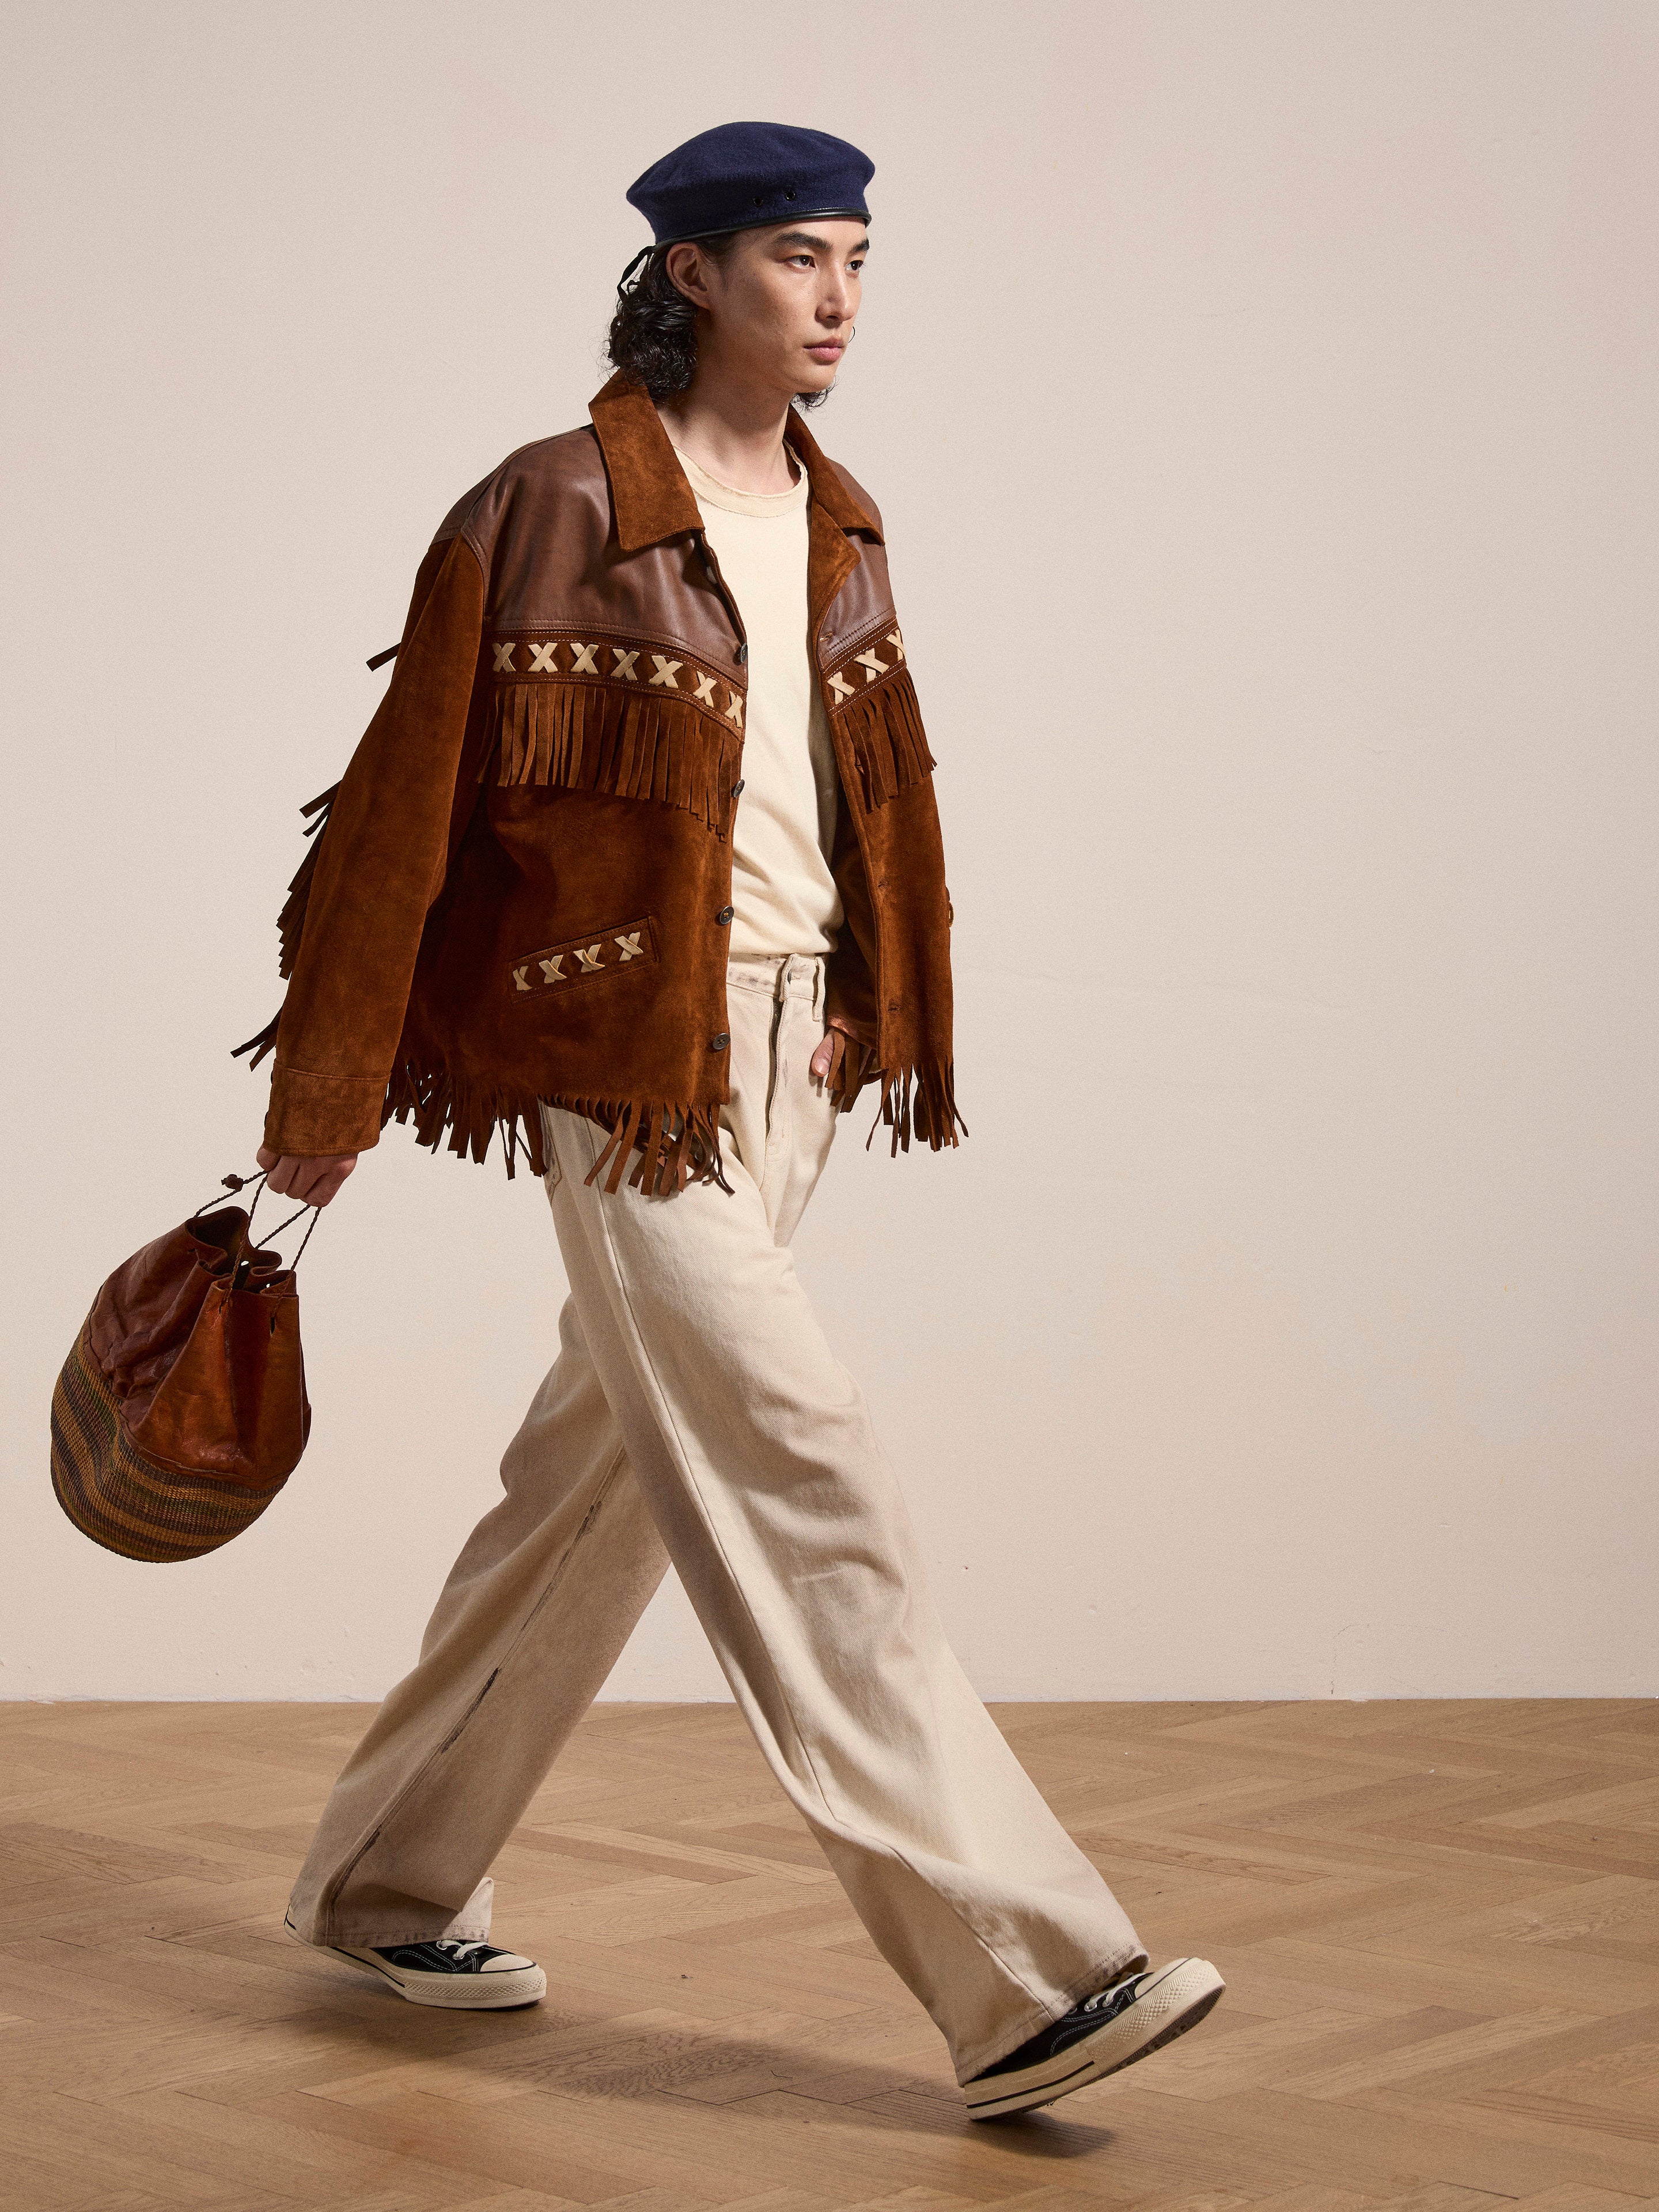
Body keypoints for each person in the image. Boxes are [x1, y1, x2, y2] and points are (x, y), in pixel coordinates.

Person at [247, 120, 1222, 2120]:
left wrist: (872, 1004)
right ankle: (1025, 1972)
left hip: (796, 1069)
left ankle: (382, 1882)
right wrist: (329, 1089)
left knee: (593, 1495)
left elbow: (869, 801)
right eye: (796, 257)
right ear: (691, 274)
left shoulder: (844, 517)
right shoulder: (547, 506)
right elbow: (405, 802)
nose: (842, 297)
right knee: (804, 1458)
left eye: (858, 258)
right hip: (631, 1072)